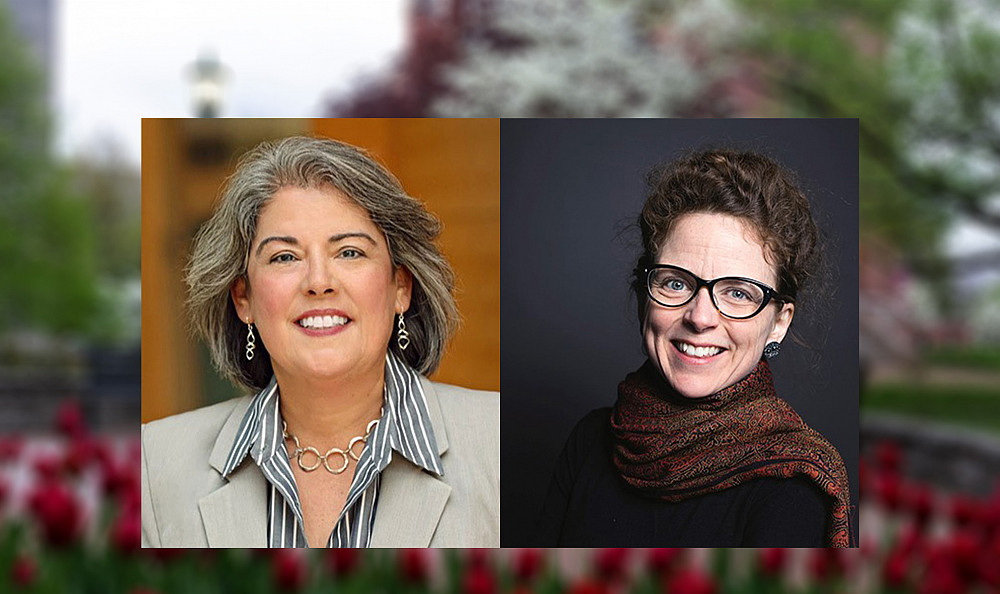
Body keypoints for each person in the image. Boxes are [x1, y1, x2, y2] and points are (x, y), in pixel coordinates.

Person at [141, 136, 499, 547]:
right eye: (284, 257)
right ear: (244, 299)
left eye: (348, 253)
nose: (318, 283)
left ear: (400, 286)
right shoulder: (154, 463)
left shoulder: (502, 442)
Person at [537, 148, 853, 547]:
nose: (700, 317)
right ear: (643, 296)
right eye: (676, 283)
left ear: (779, 322)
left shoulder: (792, 486)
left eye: (738, 292)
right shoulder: (589, 443)